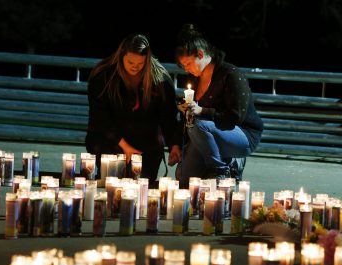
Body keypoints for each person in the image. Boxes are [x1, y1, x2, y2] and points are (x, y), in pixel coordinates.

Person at [168, 24, 264, 188]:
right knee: (183, 178)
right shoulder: (196, 79)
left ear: (200, 54)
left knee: (198, 124)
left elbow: (236, 116)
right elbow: (188, 117)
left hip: (241, 134)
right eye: (184, 66)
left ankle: (222, 168)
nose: (187, 70)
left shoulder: (230, 74)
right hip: (205, 135)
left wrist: (201, 110)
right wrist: (176, 143)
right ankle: (218, 161)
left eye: (189, 64)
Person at [85, 34, 181, 187]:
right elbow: (100, 118)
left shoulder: (159, 80)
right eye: (130, 62)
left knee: (140, 185)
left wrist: (174, 144)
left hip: (145, 145)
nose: (135, 66)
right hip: (110, 141)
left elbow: (168, 116)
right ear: (121, 55)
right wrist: (125, 147)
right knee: (112, 183)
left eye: (141, 63)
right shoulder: (104, 77)